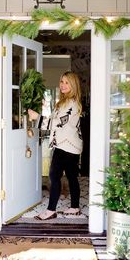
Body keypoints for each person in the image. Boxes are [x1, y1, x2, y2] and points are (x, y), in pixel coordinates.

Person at [28, 71, 83, 220]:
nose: (63, 85)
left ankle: (51, 210)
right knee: (71, 177)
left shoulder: (71, 104)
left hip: (66, 146)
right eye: (62, 81)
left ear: (73, 85)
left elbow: (59, 124)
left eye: (67, 82)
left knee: (54, 175)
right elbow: (56, 120)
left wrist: (37, 118)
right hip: (69, 145)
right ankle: (75, 208)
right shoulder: (64, 102)